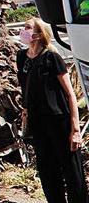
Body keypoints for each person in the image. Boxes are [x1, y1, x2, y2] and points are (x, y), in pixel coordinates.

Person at [16, 17, 87, 202]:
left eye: (27, 27)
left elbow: (70, 94)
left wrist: (76, 130)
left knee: (72, 171)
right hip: (38, 123)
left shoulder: (51, 57)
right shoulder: (21, 57)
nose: (23, 30)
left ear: (38, 34)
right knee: (47, 171)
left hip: (58, 121)